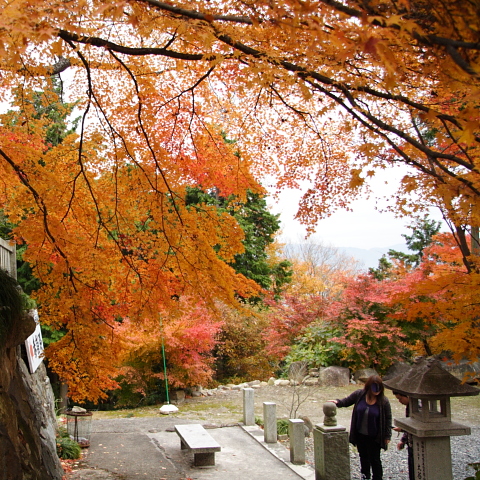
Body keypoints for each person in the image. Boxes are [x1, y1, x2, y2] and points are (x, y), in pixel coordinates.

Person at [330, 375, 392, 480]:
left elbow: (388, 418)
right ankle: (365, 476)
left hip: (375, 436)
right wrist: (337, 402)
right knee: (363, 457)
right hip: (360, 434)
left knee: (375, 459)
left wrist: (387, 435)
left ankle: (377, 477)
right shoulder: (359, 395)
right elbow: (346, 401)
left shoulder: (383, 401)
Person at [392, 391, 414, 480]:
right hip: (410, 441)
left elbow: (413, 426)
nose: (400, 401)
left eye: (400, 398)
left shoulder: (416, 407)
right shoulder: (410, 406)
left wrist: (402, 429)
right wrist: (403, 440)